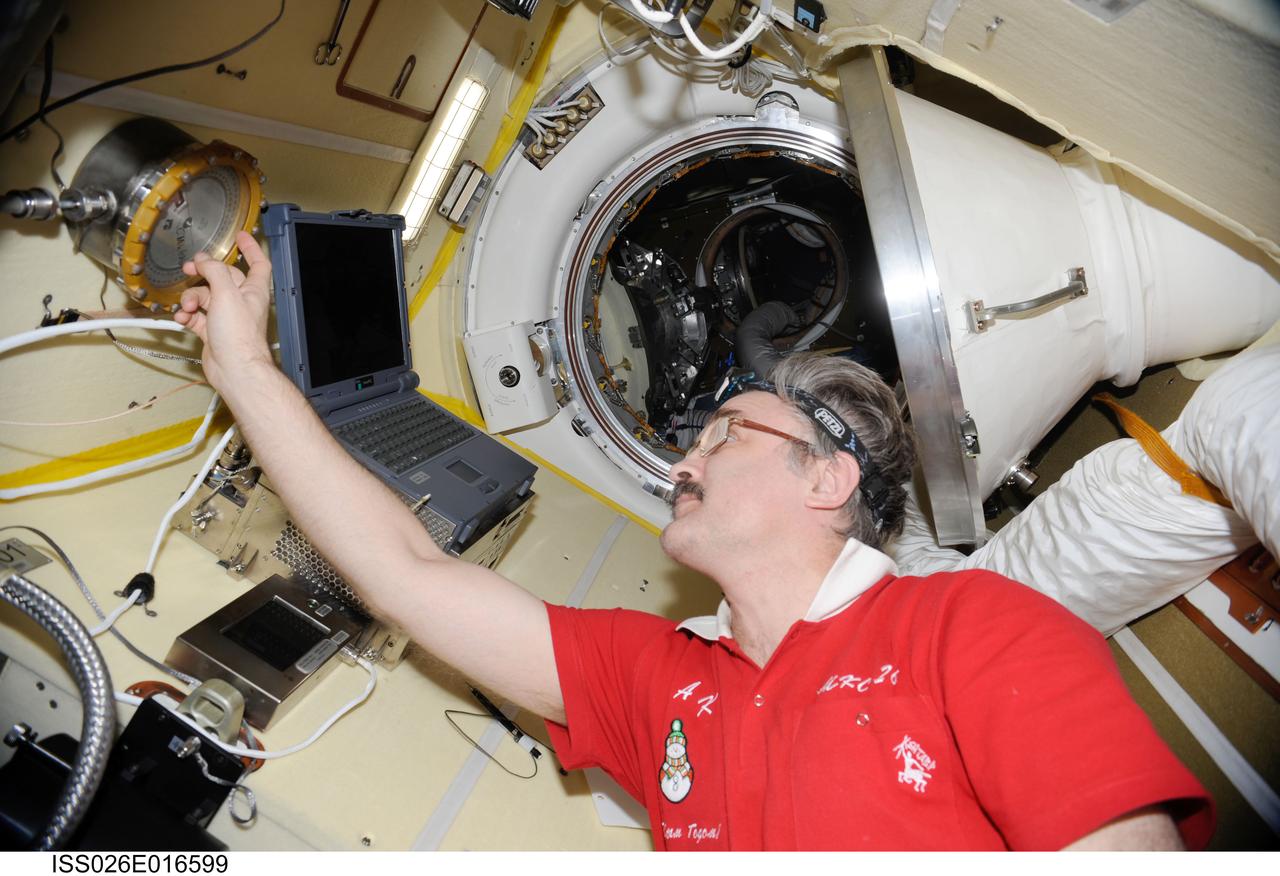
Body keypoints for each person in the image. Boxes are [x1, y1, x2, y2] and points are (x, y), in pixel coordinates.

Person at [176, 231, 1212, 851]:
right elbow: (406, 575)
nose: (683, 460)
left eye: (723, 434)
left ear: (828, 477)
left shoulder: (972, 629)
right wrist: (244, 370)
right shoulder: (654, 679)